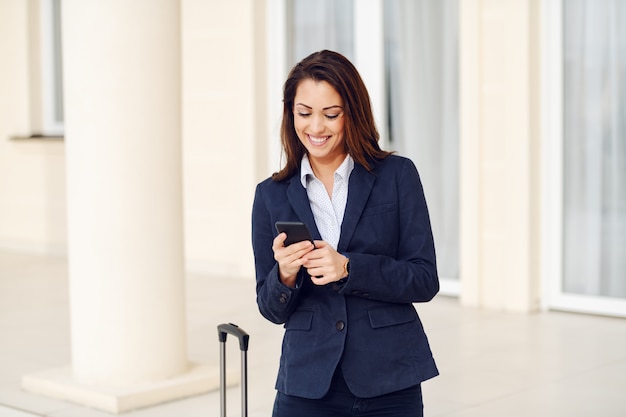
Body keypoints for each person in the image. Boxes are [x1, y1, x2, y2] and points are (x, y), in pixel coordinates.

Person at [251, 50, 439, 417]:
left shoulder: (397, 176)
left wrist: (350, 268)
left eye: (330, 114)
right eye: (304, 113)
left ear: (352, 112)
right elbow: (269, 308)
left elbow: (424, 278)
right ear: (291, 114)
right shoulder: (270, 194)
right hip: (307, 381)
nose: (316, 127)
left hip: (389, 377)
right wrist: (285, 276)